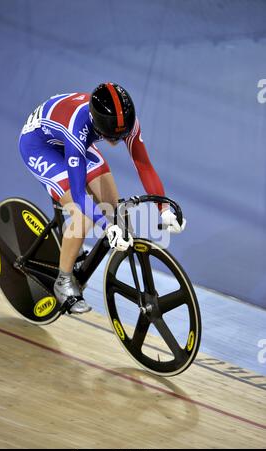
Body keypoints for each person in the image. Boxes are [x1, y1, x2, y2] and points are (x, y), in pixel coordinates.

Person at [19, 83, 186, 313]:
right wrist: (108, 228)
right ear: (98, 126)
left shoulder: (126, 122)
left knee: (115, 211)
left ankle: (76, 252)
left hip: (74, 141)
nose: (116, 142)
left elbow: (144, 165)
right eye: (110, 137)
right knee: (83, 217)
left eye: (121, 136)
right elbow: (79, 195)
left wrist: (163, 209)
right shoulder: (78, 127)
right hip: (40, 146)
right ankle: (63, 281)